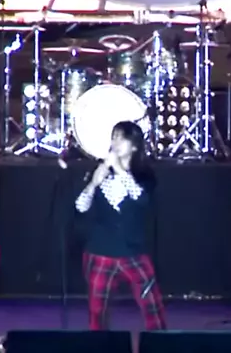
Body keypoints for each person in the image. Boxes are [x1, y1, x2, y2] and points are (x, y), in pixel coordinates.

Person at [74, 121, 167, 330]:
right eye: (114, 137)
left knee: (152, 308)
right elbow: (81, 207)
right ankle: (101, 345)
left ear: (134, 146)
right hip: (100, 251)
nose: (116, 142)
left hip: (132, 251)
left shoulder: (144, 176)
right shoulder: (100, 172)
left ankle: (160, 343)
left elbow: (141, 199)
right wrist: (93, 184)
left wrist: (117, 168)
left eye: (122, 138)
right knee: (97, 314)